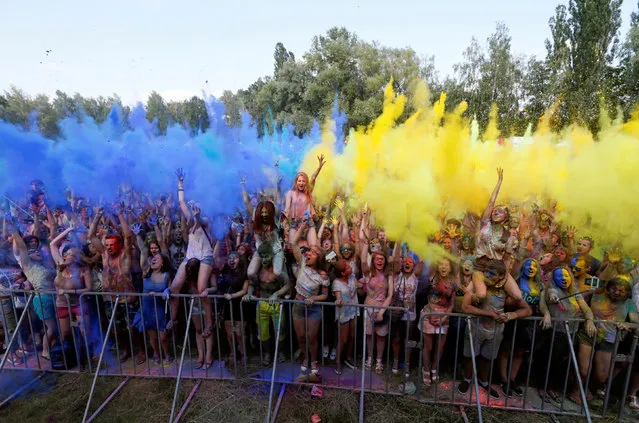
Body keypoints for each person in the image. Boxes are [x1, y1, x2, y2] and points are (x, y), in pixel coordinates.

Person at [458, 260, 531, 399]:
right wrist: (489, 314)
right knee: (470, 356)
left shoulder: (506, 291)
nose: (488, 275)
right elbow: (465, 307)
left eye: (492, 274)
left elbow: (527, 310)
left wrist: (511, 315)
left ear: (501, 276)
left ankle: (483, 382)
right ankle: (467, 380)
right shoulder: (477, 286)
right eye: (486, 272)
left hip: (495, 331)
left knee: (488, 358)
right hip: (475, 327)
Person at [164, 169, 215, 340]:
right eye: (194, 208)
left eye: (197, 207)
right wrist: (180, 183)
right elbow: (181, 202)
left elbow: (201, 221)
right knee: (175, 288)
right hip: (190, 257)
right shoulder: (192, 219)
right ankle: (173, 319)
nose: (194, 209)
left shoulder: (206, 220)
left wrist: (199, 217)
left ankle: (209, 322)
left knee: (201, 290)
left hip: (205, 256)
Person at [290, 220, 329, 375]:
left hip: (313, 309)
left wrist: (314, 299)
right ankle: (305, 358)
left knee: (311, 338)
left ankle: (314, 361)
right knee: (300, 337)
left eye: (312, 253)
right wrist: (303, 227)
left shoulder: (323, 275)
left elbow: (325, 295)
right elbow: (294, 244)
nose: (308, 254)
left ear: (318, 258)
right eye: (308, 253)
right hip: (298, 306)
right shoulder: (302, 264)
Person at [243, 242, 291, 366]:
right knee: (263, 333)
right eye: (262, 256)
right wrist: (249, 293)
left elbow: (287, 285)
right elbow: (252, 284)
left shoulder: (278, 271)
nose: (264, 259)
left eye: (267, 256)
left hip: (277, 305)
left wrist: (277, 294)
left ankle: (280, 352)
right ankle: (267, 354)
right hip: (262, 304)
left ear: (272, 256)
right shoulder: (258, 272)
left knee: (280, 332)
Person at [419, 258, 456, 385]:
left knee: (440, 348)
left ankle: (434, 368)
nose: (444, 267)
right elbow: (428, 300)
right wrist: (430, 314)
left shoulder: (453, 283)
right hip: (428, 315)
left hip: (443, 317)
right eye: (441, 264)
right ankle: (426, 369)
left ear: (450, 268)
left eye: (446, 264)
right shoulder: (432, 277)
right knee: (428, 347)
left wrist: (444, 318)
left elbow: (451, 305)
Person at [131, 253, 172, 365]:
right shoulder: (146, 273)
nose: (154, 259)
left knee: (163, 337)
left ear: (163, 263)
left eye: (157, 258)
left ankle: (167, 353)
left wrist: (166, 291)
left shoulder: (166, 275)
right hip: (147, 308)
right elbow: (143, 253)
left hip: (159, 308)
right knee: (152, 337)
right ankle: (157, 354)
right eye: (153, 258)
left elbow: (171, 287)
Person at [332, 259, 359, 375]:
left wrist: (362, 286)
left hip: (353, 310)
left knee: (352, 336)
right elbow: (338, 296)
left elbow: (359, 288)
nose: (350, 267)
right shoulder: (336, 283)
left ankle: (348, 358)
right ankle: (338, 362)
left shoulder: (352, 276)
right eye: (347, 267)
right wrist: (338, 299)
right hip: (343, 314)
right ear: (343, 273)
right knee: (343, 340)